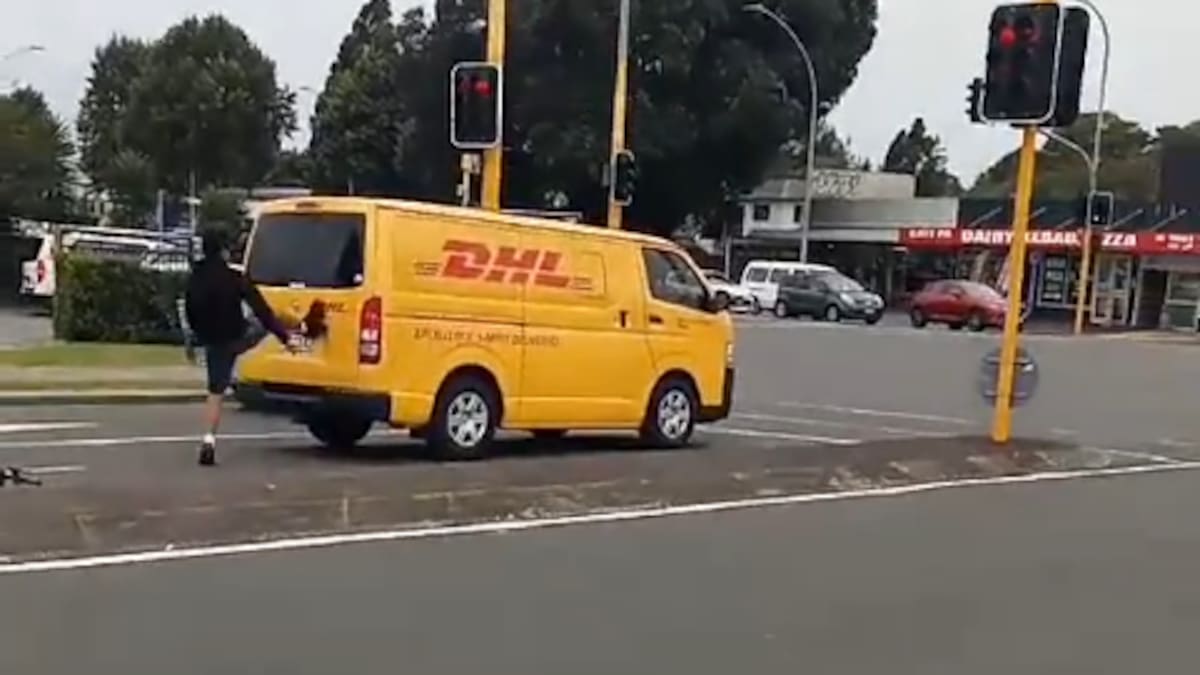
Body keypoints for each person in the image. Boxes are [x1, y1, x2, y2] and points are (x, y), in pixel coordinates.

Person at [184, 230, 293, 466]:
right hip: (237, 335)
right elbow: (262, 310)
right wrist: (283, 337)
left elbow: (190, 311)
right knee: (271, 320)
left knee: (215, 391)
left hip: (213, 341)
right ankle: (296, 331)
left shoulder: (195, 278)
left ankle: (208, 439)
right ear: (224, 251)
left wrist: (196, 338)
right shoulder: (234, 277)